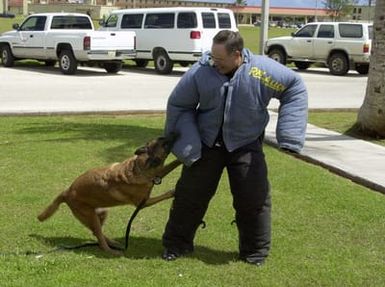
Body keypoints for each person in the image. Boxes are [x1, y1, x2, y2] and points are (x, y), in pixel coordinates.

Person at [161, 30, 308, 266]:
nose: (213, 62)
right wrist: (183, 142)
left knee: (254, 199)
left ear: (237, 55)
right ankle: (176, 245)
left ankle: (254, 253)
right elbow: (179, 104)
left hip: (246, 143)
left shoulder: (262, 71)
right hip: (206, 144)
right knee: (189, 196)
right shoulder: (202, 71)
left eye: (219, 59)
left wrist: (289, 136)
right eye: (212, 56)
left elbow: (294, 87)